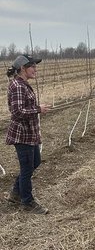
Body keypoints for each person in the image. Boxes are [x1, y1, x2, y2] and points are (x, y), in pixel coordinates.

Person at [5, 54, 50, 215]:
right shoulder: (17, 86)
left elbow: (24, 108)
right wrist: (38, 109)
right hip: (22, 135)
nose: (35, 69)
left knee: (34, 163)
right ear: (23, 69)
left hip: (30, 133)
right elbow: (17, 112)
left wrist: (38, 108)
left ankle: (16, 193)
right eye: (32, 66)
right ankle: (27, 201)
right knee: (26, 169)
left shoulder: (23, 84)